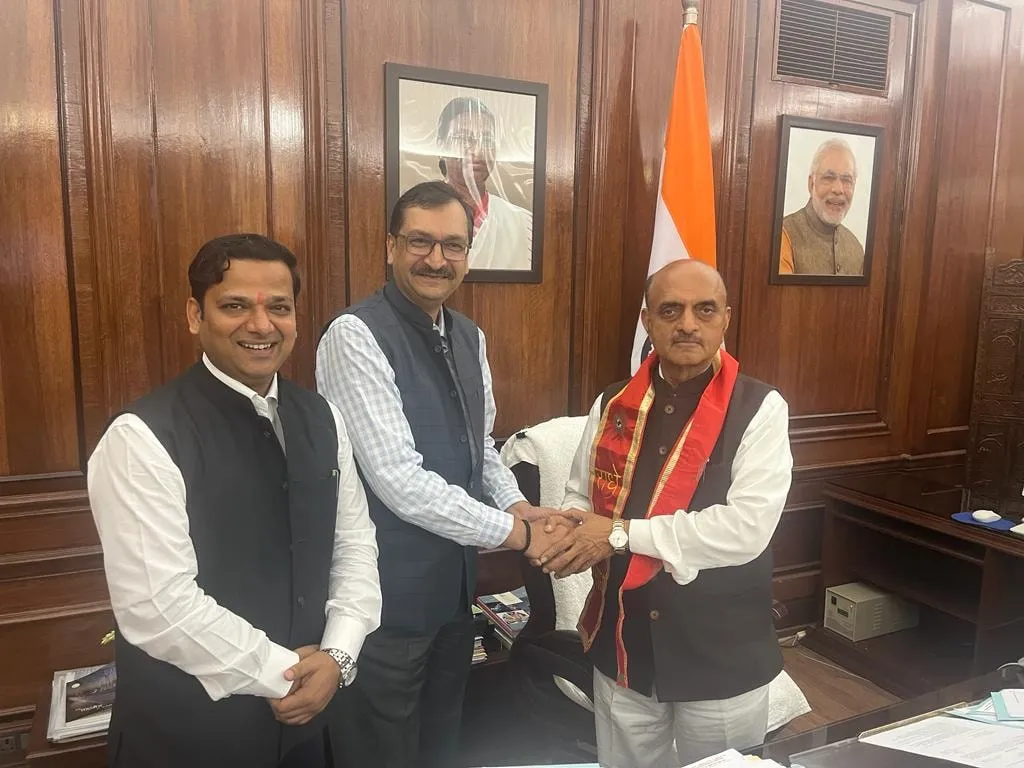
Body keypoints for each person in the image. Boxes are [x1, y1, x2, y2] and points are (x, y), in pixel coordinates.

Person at [87, 234, 382, 768]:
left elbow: (355, 545)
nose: (261, 325)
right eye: (235, 306)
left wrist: (339, 655)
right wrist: (282, 674)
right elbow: (158, 606)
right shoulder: (141, 436)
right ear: (195, 315)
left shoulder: (323, 418)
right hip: (190, 737)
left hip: (309, 722)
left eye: (279, 308)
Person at [315, 181, 568, 768]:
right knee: (380, 755)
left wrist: (516, 505)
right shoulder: (354, 335)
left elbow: (481, 448)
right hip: (384, 604)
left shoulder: (468, 335)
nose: (437, 259)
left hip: (454, 597)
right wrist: (520, 534)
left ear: (468, 254)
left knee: (442, 748)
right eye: (420, 242)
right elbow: (398, 480)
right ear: (390, 247)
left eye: (453, 245)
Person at [536, 259, 793, 767]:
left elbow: (746, 530)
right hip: (623, 647)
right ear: (648, 321)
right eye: (671, 310)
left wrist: (618, 535)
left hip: (720, 655)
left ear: (726, 319)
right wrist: (570, 532)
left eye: (705, 310)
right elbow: (580, 495)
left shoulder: (760, 407)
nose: (688, 324)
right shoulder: (612, 403)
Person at [436, 96, 533, 271]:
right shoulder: (418, 216)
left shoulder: (522, 224)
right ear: (441, 146)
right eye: (463, 137)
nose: (476, 149)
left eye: (486, 140)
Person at [779, 137, 864, 275]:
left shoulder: (856, 249)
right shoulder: (783, 235)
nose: (838, 189)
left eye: (846, 180)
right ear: (811, 184)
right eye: (829, 178)